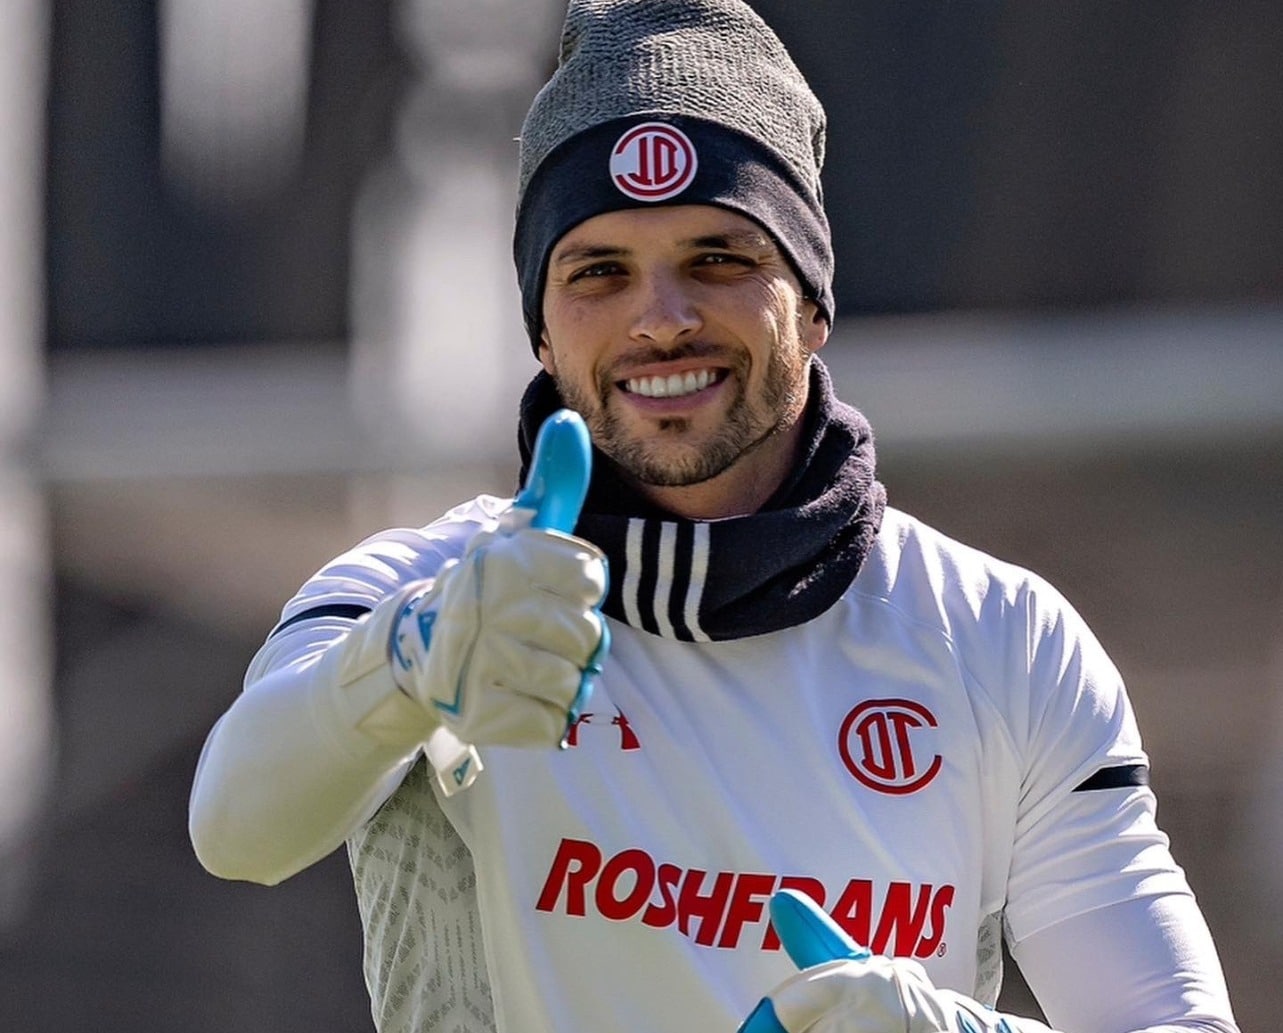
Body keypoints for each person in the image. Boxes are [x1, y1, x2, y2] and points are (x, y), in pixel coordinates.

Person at [188, 2, 1240, 1031]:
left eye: (717, 259)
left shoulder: (1002, 639)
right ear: (542, 334)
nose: (660, 319)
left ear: (812, 299)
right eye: (598, 271)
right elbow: (237, 827)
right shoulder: (427, 593)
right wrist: (411, 661)